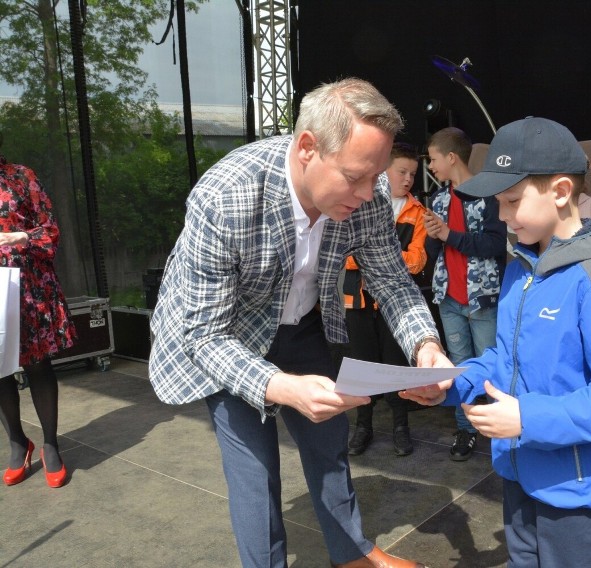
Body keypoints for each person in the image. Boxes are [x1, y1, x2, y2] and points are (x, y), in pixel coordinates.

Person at [148, 78, 450, 568]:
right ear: (307, 148)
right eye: (355, 177)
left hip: (302, 323)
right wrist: (283, 388)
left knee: (328, 443)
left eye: (376, 176)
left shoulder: (366, 194)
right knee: (254, 468)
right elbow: (203, 335)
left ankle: (351, 554)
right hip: (225, 336)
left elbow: (392, 281)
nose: (368, 192)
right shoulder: (226, 196)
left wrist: (426, 347)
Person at [404, 117, 591, 567]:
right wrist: (450, 384)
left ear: (560, 191)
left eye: (512, 201)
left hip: (575, 489)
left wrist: (527, 417)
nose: (502, 216)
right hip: (519, 468)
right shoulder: (521, 265)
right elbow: (504, 358)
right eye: (499, 202)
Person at [423, 126, 507, 462]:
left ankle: (502, 427)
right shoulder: (439, 199)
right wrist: (433, 236)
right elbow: (437, 251)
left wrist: (448, 234)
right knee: (458, 367)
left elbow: (494, 245)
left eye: (433, 159)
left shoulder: (489, 195)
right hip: (450, 298)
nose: (430, 166)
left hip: (483, 297)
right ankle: (466, 429)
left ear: (451, 157)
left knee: (491, 367)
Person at [344, 141, 428, 457]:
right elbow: (344, 254)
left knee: (396, 364)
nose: (407, 178)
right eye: (401, 171)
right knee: (361, 364)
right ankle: (362, 425)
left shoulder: (417, 212)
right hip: (358, 299)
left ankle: (400, 426)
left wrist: (375, 260)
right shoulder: (358, 205)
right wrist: (385, 260)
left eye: (413, 173)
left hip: (395, 302)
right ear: (383, 171)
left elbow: (418, 260)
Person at [0, 147, 76, 489]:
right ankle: (17, 442)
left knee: (38, 365)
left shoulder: (21, 176)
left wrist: (24, 236)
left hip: (27, 285)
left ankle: (49, 444)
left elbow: (51, 230)